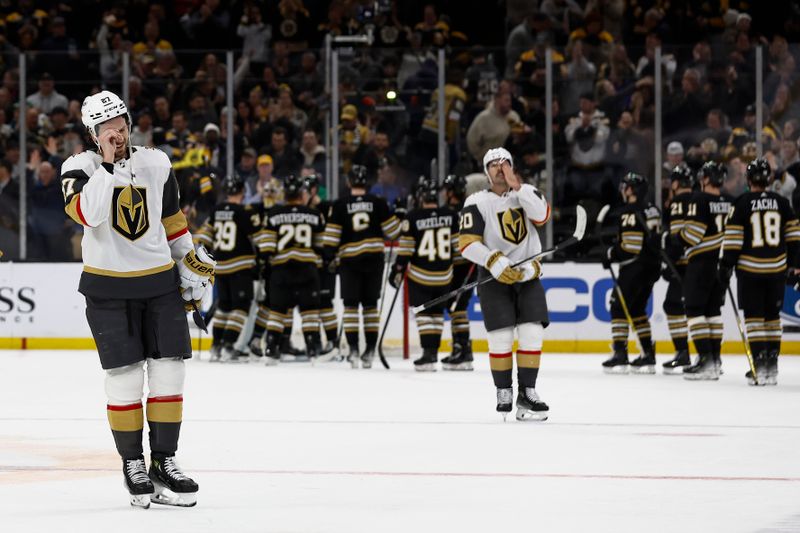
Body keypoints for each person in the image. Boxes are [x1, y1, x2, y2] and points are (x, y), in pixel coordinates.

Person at [59, 90, 213, 508]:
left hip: (159, 285)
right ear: (92, 133)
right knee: (125, 377)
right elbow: (88, 215)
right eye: (106, 126)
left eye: (121, 121)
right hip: (107, 289)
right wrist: (107, 166)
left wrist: (190, 264)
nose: (117, 131)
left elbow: (173, 221)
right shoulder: (79, 167)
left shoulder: (157, 161)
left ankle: (165, 460)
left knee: (169, 374)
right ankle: (133, 464)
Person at [457, 147, 551, 421]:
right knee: (501, 337)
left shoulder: (526, 193)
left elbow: (542, 216)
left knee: (532, 332)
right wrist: (493, 260)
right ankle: (504, 390)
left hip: (528, 276)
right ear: (486, 172)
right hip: (492, 278)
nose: (500, 168)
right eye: (494, 164)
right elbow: (466, 243)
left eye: (505, 163)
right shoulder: (476, 200)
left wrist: (517, 186)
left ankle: (528, 392)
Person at [720, 158, 800, 385]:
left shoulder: (742, 203)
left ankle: (759, 364)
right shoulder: (783, 203)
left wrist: (726, 265)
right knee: (773, 318)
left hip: (750, 270)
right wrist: (793, 263)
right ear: (769, 179)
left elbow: (733, 240)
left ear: (748, 179)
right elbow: (795, 237)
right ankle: (771, 366)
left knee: (754, 319)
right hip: (776, 270)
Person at [322, 165, 401, 368]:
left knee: (350, 306)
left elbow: (331, 238)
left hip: (349, 262)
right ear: (366, 183)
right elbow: (393, 232)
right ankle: (369, 351)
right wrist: (399, 214)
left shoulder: (340, 204)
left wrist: (328, 257)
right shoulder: (378, 202)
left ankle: (354, 350)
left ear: (349, 182)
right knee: (370, 306)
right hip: (374, 260)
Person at [390, 177, 460, 371]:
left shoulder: (413, 217)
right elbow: (458, 248)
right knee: (437, 314)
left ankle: (427, 354)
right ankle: (433, 353)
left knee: (423, 313)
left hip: (420, 275)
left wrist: (397, 269)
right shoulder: (451, 215)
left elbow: (405, 250)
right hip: (445, 275)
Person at [194, 174, 263, 363]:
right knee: (241, 307)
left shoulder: (216, 211)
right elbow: (260, 239)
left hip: (221, 267)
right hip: (240, 265)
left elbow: (203, 238)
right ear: (242, 191)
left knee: (224, 307)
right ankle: (228, 345)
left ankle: (216, 346)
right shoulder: (245, 211)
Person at [260, 175, 326, 363]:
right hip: (307, 269)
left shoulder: (273, 214)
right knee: (309, 310)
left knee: (278, 311)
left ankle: (271, 349)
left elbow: (266, 248)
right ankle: (313, 349)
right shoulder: (314, 214)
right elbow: (322, 245)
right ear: (301, 193)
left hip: (281, 270)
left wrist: (266, 266)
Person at [600, 173, 661, 374]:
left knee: (618, 307)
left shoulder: (629, 212)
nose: (623, 190)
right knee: (636, 310)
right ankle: (648, 353)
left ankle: (620, 353)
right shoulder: (652, 208)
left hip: (635, 267)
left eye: (626, 186)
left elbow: (631, 247)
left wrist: (611, 253)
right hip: (652, 267)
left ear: (632, 190)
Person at [677, 162, 732, 380]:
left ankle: (705, 359)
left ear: (706, 179)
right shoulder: (728, 201)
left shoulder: (699, 198)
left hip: (701, 263)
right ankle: (715, 360)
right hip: (721, 264)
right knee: (713, 311)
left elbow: (692, 235)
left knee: (694, 309)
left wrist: (671, 239)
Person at [661, 164, 694, 374]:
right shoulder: (700, 199)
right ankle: (711, 356)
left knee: (673, 306)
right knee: (703, 309)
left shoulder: (676, 203)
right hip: (701, 261)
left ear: (675, 183)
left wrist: (670, 262)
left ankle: (683, 352)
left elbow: (677, 237)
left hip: (683, 264)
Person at [441, 174, 475, 370]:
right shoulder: (469, 209)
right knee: (455, 308)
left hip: (463, 267)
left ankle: (463, 350)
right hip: (462, 265)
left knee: (457, 308)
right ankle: (459, 348)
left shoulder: (455, 212)